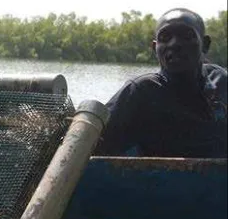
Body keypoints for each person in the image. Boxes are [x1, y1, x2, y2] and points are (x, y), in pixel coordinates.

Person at [94, 8, 227, 158]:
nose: (174, 44)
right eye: (165, 37)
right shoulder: (141, 92)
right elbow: (96, 144)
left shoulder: (221, 80)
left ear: (205, 44)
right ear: (154, 48)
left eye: (186, 36)